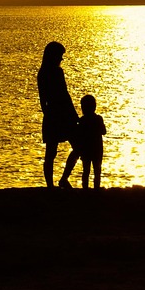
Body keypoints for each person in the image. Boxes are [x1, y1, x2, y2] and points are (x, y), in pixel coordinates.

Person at [37, 41, 79, 188]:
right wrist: (74, 116)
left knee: (50, 153)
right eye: (60, 56)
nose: (61, 59)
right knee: (77, 147)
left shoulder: (42, 73)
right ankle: (62, 179)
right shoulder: (56, 72)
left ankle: (51, 185)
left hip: (52, 115)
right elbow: (64, 95)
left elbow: (43, 100)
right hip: (62, 114)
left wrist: (47, 114)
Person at [75, 94, 107, 189]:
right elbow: (104, 131)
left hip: (86, 150)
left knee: (86, 171)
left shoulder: (82, 120)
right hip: (97, 149)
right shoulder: (98, 119)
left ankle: (85, 189)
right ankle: (96, 189)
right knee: (97, 170)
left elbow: (78, 135)